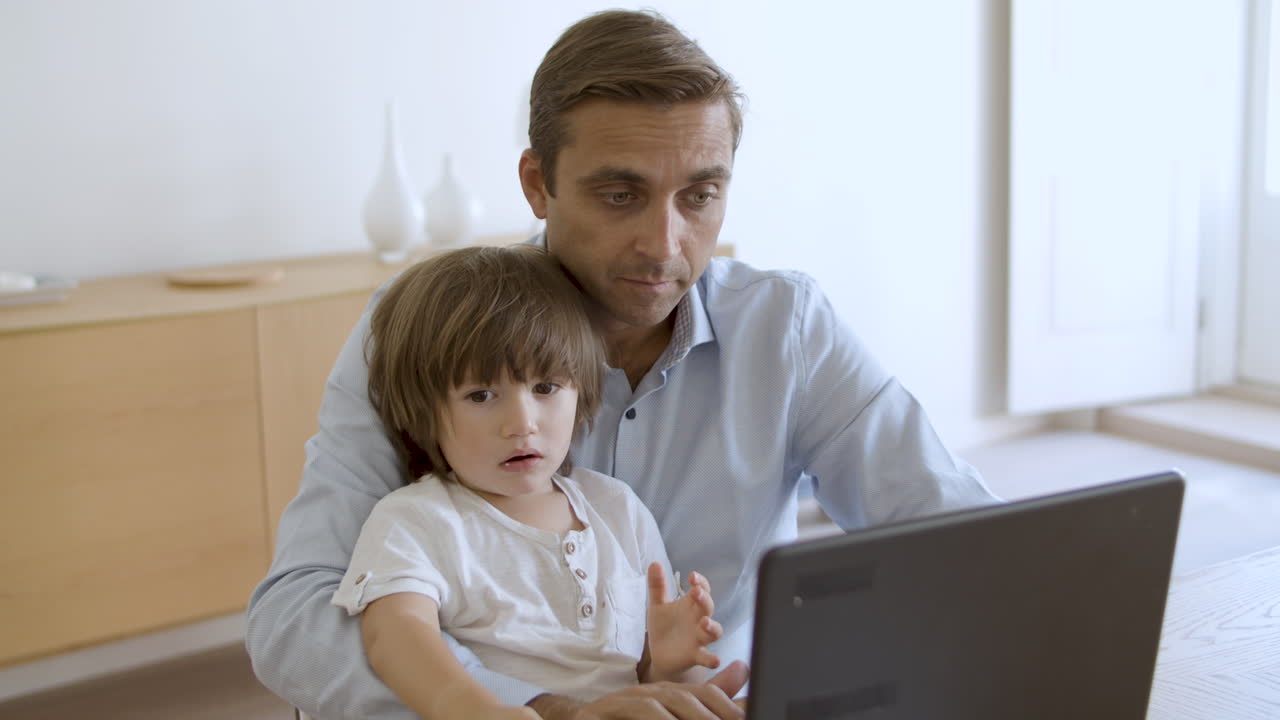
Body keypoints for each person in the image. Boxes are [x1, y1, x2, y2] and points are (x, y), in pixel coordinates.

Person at [247, 9, 998, 720]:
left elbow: (956, 539)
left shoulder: (785, 329)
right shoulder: (423, 329)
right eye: (619, 194)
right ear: (538, 184)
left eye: (700, 195)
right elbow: (294, 618)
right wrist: (540, 709)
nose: (665, 244)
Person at [332, 245, 725, 719]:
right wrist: (473, 709)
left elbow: (651, 690)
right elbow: (394, 634)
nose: (522, 423)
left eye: (545, 388)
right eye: (481, 395)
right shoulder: (417, 520)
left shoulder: (617, 508)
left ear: (582, 394)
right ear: (425, 416)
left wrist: (673, 664)